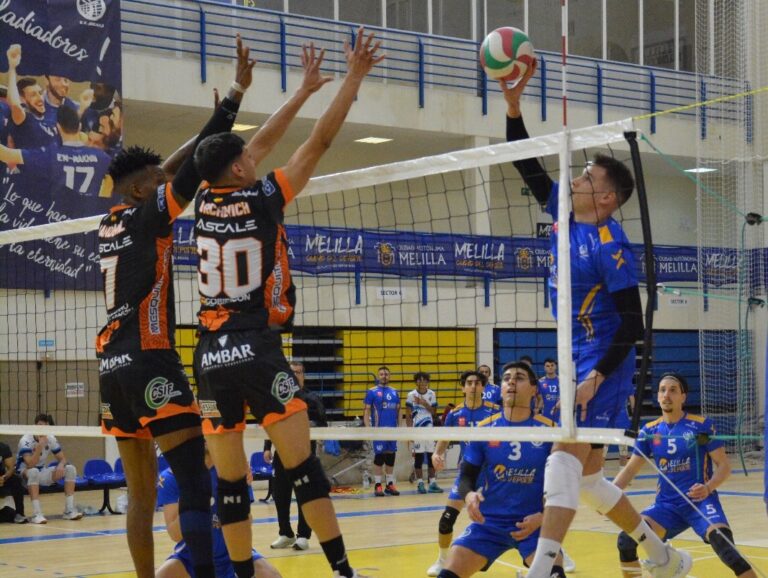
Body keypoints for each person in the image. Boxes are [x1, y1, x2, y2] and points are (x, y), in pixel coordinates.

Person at [190, 30, 383, 578]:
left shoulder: (204, 199)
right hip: (254, 342)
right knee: (302, 470)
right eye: (247, 156)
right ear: (241, 168)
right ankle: (343, 571)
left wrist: (300, 93)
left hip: (208, 353)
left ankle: (241, 575)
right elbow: (316, 143)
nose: (255, 156)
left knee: (230, 483)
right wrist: (352, 77)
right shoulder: (263, 195)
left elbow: (254, 148)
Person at [504, 60, 691, 578]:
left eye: (587, 175)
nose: (577, 177)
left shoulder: (610, 245)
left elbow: (633, 324)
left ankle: (542, 568)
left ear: (606, 198)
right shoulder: (565, 214)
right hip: (573, 354)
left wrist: (596, 376)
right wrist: (513, 107)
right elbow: (527, 167)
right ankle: (663, 555)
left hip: (603, 361)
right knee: (586, 478)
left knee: (562, 458)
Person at [95, 35, 257, 578]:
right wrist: (232, 103)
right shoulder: (149, 215)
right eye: (157, 185)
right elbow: (189, 173)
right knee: (192, 479)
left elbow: (172, 166)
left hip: (111, 368)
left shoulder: (110, 221)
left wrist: (225, 105)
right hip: (149, 358)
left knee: (140, 498)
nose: (166, 185)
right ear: (144, 193)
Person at [613, 373, 756, 578]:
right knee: (625, 541)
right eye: (662, 390)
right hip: (667, 507)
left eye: (673, 390)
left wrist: (708, 487)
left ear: (683, 397)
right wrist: (609, 494)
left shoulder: (700, 427)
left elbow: (724, 465)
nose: (666, 395)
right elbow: (629, 470)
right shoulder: (650, 431)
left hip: (700, 502)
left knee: (726, 549)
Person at [436, 362, 565, 578]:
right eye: (506, 378)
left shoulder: (550, 432)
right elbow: (466, 475)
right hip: (488, 525)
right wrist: (468, 495)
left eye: (520, 377)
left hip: (533, 525)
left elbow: (564, 486)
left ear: (534, 389)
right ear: (501, 388)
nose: (511, 381)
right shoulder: (484, 429)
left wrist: (544, 517)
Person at [156, 445, 282, 578]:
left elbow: (247, 522)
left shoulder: (234, 472)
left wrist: (235, 493)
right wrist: (193, 491)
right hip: (189, 557)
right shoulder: (171, 477)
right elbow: (175, 535)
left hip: (233, 552)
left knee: (272, 576)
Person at [427, 370, 499, 576]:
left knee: (510, 517)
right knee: (446, 520)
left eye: (478, 383)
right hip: (467, 475)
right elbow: (445, 438)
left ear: (484, 388)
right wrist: (436, 453)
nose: (474, 386)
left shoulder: (495, 412)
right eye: (469, 383)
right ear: (463, 387)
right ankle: (442, 560)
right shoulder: (456, 414)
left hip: (492, 476)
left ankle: (552, 554)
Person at [264, 361, 328, 551]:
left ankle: (303, 536)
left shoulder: (312, 398)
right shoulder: (278, 397)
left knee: (304, 496)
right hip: (281, 453)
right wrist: (267, 446)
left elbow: (322, 425)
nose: (295, 375)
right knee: (280, 495)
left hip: (303, 455)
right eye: (291, 372)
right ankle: (285, 533)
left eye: (298, 372)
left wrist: (307, 424)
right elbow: (270, 423)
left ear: (303, 375)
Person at [0, 105, 113, 211]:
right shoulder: (103, 158)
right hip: (83, 220)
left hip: (55, 216)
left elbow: (6, 154)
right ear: (79, 126)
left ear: (57, 127)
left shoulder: (50, 155)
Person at [16, 413, 84, 524]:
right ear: (35, 426)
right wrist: (39, 448)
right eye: (40, 425)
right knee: (33, 472)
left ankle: (69, 511)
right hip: (23, 474)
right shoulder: (25, 440)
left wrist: (61, 465)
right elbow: (30, 465)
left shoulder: (50, 438)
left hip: (41, 471)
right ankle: (37, 514)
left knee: (70, 469)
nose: (42, 429)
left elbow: (63, 459)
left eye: (45, 427)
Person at [5, 45, 57, 148]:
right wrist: (12, 68)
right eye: (33, 95)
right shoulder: (23, 117)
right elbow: (14, 104)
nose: (39, 98)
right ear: (22, 99)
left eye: (39, 92)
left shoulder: (49, 117)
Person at [363, 365, 401, 497]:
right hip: (378, 430)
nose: (384, 376)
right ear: (378, 376)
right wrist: (368, 428)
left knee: (391, 456)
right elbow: (367, 410)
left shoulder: (395, 392)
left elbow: (398, 411)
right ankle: (378, 485)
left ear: (389, 376)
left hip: (392, 430)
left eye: (386, 374)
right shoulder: (372, 391)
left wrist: (400, 428)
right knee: (379, 456)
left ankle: (390, 484)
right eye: (382, 374)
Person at [406, 371, 442, 494]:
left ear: (428, 381)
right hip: (417, 431)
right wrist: (409, 432)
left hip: (429, 431)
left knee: (432, 457)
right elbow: (408, 415)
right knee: (419, 458)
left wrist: (424, 403)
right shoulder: (411, 395)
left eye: (424, 380)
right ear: (416, 382)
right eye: (419, 380)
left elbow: (434, 413)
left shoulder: (432, 394)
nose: (422, 382)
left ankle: (432, 483)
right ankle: (420, 483)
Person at [0, 439, 26, 523]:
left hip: (1, 480)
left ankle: (19, 514)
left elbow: (11, 468)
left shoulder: (3, 447)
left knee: (16, 479)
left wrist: (4, 477)